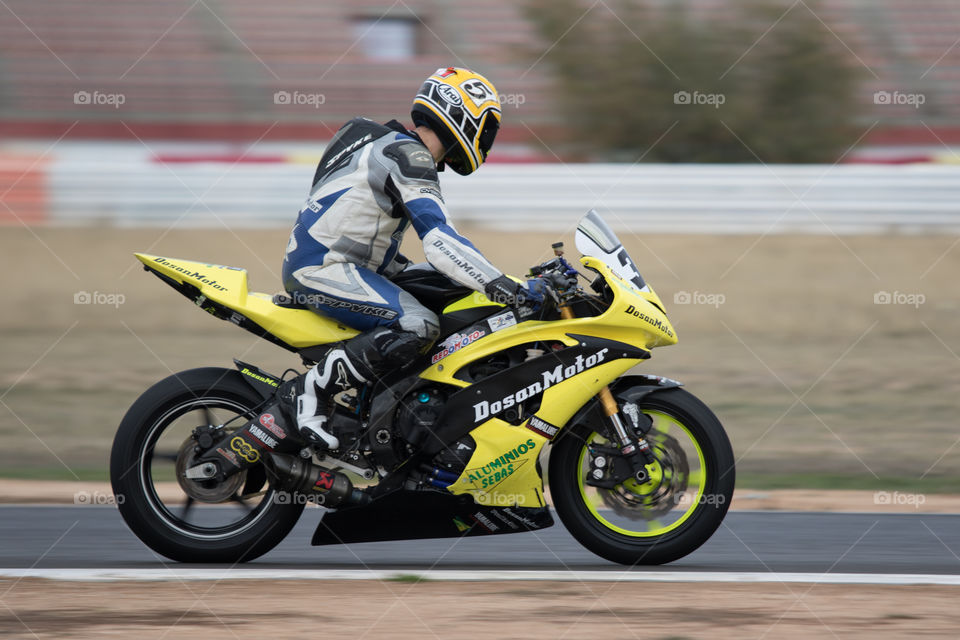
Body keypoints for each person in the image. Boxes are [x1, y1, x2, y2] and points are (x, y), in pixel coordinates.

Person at [281, 67, 541, 449]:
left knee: (454, 293)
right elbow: (439, 239)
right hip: (326, 269)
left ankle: (395, 407)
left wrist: (491, 282)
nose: (486, 140)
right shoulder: (409, 155)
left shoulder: (380, 140)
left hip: (348, 264)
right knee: (418, 325)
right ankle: (308, 393)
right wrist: (503, 285)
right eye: (486, 129)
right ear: (461, 114)